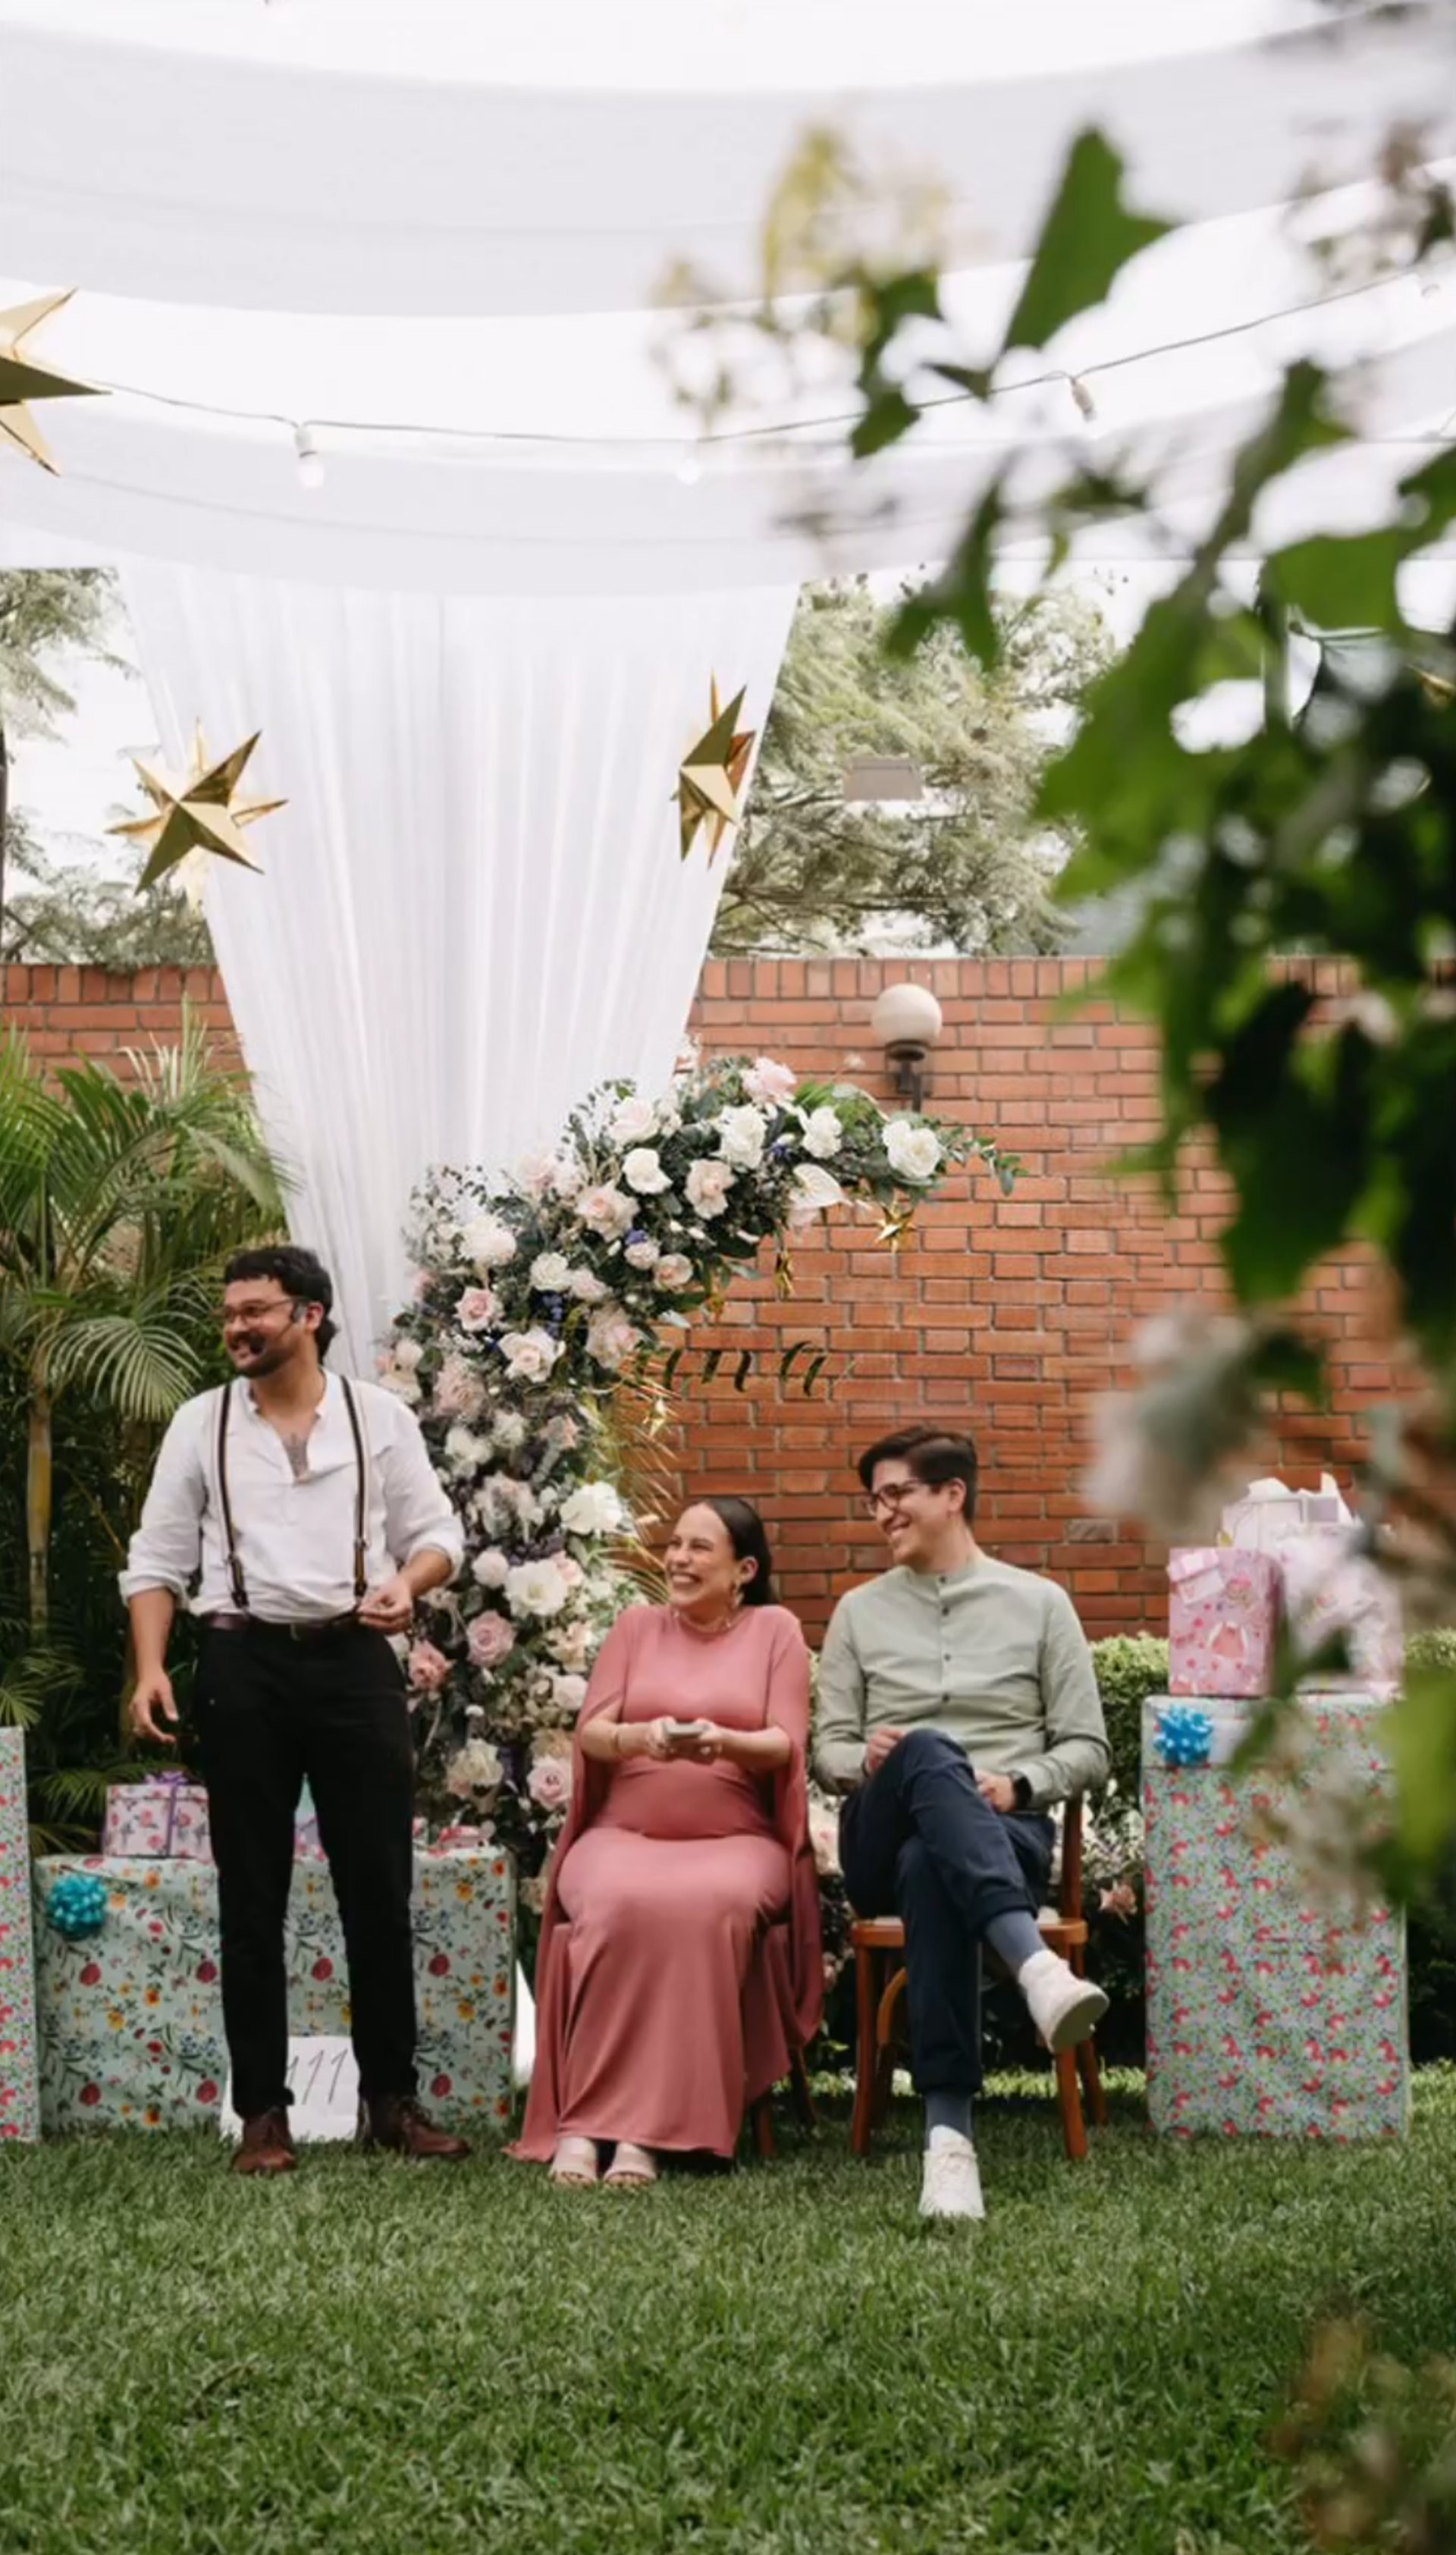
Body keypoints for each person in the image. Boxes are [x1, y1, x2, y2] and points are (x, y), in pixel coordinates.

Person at [122, 1244, 469, 2177]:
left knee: (377, 1891)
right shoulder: (200, 1425)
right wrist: (150, 1668)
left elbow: (439, 1534)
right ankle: (263, 2114)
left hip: (356, 1660)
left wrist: (408, 1582)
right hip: (241, 1664)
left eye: (256, 1311)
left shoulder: (380, 1417)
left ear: (309, 1315)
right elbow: (155, 1561)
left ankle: (389, 2103)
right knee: (251, 1898)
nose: (237, 1326)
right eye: (230, 1313)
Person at [816, 1424, 1110, 2223]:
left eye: (897, 1493)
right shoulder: (857, 1613)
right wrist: (863, 1759)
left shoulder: (1041, 1605)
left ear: (953, 1494)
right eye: (875, 1499)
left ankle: (950, 2142)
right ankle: (1036, 1969)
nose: (883, 1513)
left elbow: (1088, 1748)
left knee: (932, 1871)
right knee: (922, 1752)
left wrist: (1020, 1783)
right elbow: (826, 1751)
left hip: (1000, 1831)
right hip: (881, 1828)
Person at [513, 1496, 821, 2185]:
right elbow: (592, 1731)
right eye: (674, 1544)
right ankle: (587, 2124)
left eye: (697, 1547)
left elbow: (784, 1741)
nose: (677, 1559)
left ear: (743, 1568)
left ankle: (646, 2136)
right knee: (617, 1902)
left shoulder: (776, 1631)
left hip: (736, 1840)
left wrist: (722, 1742)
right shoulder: (636, 1627)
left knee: (703, 1907)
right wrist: (639, 1737)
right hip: (622, 1832)